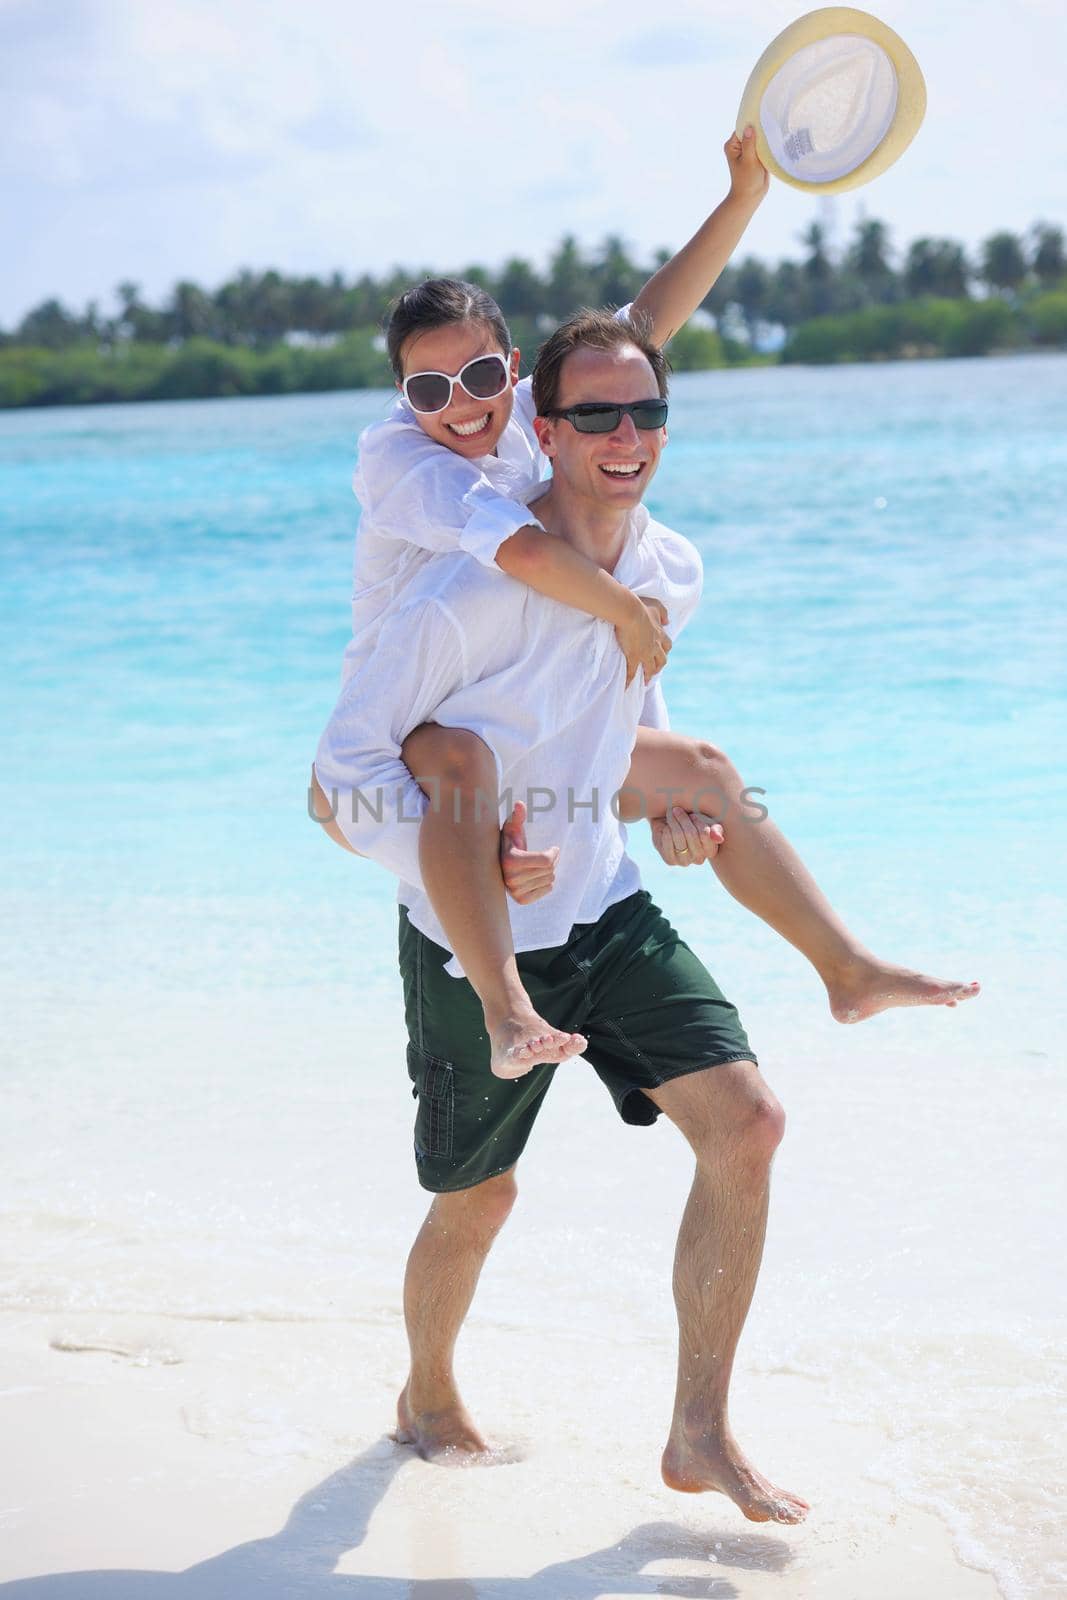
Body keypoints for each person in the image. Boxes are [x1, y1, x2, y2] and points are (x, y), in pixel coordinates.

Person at [312, 133, 977, 1079]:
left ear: (512, 370)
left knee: (701, 772)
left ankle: (848, 968)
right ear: (399, 396)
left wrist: (743, 197)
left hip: (528, 719)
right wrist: (629, 611)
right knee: (465, 763)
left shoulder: (527, 414)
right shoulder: (403, 459)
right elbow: (523, 551)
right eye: (428, 388)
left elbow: (645, 327)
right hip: (416, 728)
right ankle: (506, 1007)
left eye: (481, 378)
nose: (461, 406)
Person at [315, 308, 815, 1520]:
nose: (626, 433)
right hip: (469, 938)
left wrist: (671, 814)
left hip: (604, 907)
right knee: (478, 1196)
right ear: (546, 434)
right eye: (595, 414)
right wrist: (478, 858)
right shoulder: (454, 596)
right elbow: (335, 789)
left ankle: (698, 1429)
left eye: (646, 411)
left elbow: (619, 730)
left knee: (745, 1124)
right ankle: (426, 1393)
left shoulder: (666, 571)